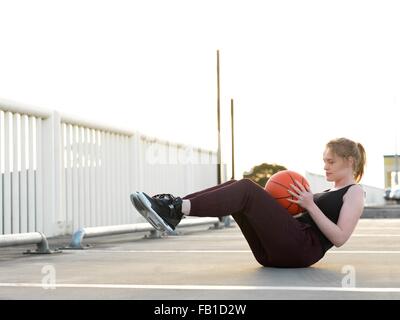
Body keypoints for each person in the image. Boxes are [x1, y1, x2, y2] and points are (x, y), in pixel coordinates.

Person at [130, 137, 366, 268]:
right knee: (238, 186)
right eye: (324, 161)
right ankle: (175, 208)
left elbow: (340, 238)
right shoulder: (328, 190)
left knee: (246, 189)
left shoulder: (355, 193)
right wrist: (283, 208)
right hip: (271, 255)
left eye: (331, 162)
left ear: (349, 161)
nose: (325, 166)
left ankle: (174, 209)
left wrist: (310, 205)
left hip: (301, 250)